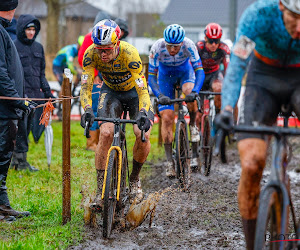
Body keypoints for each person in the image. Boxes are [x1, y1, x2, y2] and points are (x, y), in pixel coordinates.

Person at [216, 0, 300, 249]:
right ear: (282, 8)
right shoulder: (259, 15)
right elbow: (238, 64)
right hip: (262, 79)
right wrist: (228, 109)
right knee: (252, 164)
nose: (299, 28)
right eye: (295, 18)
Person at [80, 19, 153, 209]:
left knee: (141, 134)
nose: (102, 54)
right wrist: (87, 109)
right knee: (105, 133)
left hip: (135, 94)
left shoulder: (130, 54)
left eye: (107, 49)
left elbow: (143, 89)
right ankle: (100, 191)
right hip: (111, 92)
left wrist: (144, 112)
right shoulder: (90, 54)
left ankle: (134, 179)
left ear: (117, 44)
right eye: (99, 49)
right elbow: (86, 87)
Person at [148, 24, 205, 176]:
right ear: (164, 42)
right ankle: (169, 162)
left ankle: (193, 125)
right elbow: (151, 77)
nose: (172, 50)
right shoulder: (156, 48)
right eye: (169, 46)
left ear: (182, 43)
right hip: (165, 78)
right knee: (166, 117)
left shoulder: (189, 45)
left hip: (185, 74)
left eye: (176, 47)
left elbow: (199, 71)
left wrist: (195, 91)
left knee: (188, 92)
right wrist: (159, 95)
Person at [0, 0, 36, 221]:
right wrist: (17, 100)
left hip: (7, 109)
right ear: (12, 9)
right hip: (4, 110)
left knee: (3, 158)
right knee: (2, 157)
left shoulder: (3, 31)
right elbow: (1, 74)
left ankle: (3, 206)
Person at [10, 14, 54, 171]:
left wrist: (48, 93)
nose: (31, 32)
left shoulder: (38, 48)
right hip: (21, 95)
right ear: (22, 29)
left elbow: (41, 74)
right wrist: (16, 94)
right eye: (28, 29)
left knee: (27, 129)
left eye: (33, 29)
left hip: (36, 96)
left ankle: (20, 160)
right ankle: (19, 161)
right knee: (19, 129)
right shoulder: (13, 46)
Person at [78, 17, 129, 151]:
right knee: (95, 108)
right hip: (96, 78)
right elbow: (83, 58)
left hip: (108, 78)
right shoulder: (91, 37)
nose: (121, 33)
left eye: (123, 31)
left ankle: (103, 140)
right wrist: (95, 76)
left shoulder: (117, 39)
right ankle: (91, 143)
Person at [196, 23, 230, 114]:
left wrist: (228, 83)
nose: (214, 44)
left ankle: (218, 116)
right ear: (205, 38)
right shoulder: (199, 47)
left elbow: (228, 68)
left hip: (214, 74)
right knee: (199, 112)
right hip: (200, 75)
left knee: (219, 89)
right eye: (211, 41)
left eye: (217, 41)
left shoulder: (224, 48)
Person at [52, 35, 84, 119]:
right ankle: (59, 108)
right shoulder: (70, 50)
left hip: (64, 65)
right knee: (63, 84)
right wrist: (76, 71)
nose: (81, 48)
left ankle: (73, 90)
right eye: (80, 47)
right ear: (78, 45)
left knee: (79, 74)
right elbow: (70, 65)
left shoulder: (78, 51)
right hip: (57, 66)